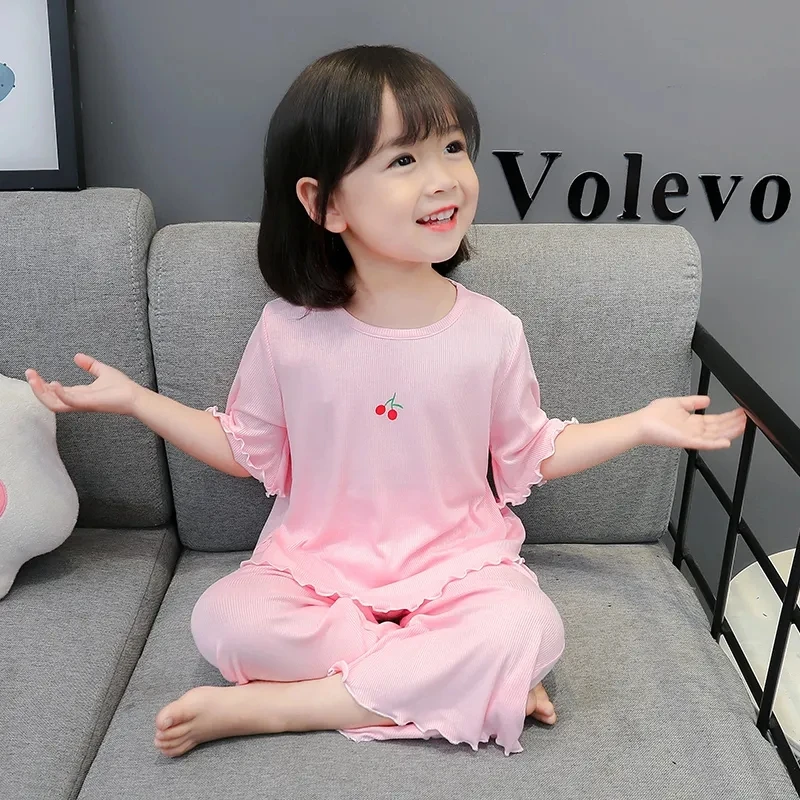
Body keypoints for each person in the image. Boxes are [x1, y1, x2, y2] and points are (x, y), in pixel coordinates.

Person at [25, 44, 747, 759]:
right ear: (324, 203)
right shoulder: (287, 332)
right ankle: (460, 680)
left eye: (454, 149)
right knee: (224, 621)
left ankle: (288, 707)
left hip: (458, 567)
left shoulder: (493, 331)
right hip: (315, 570)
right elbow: (245, 449)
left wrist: (640, 425)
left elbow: (529, 450)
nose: (444, 180)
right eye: (403, 160)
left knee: (528, 630)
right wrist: (136, 401)